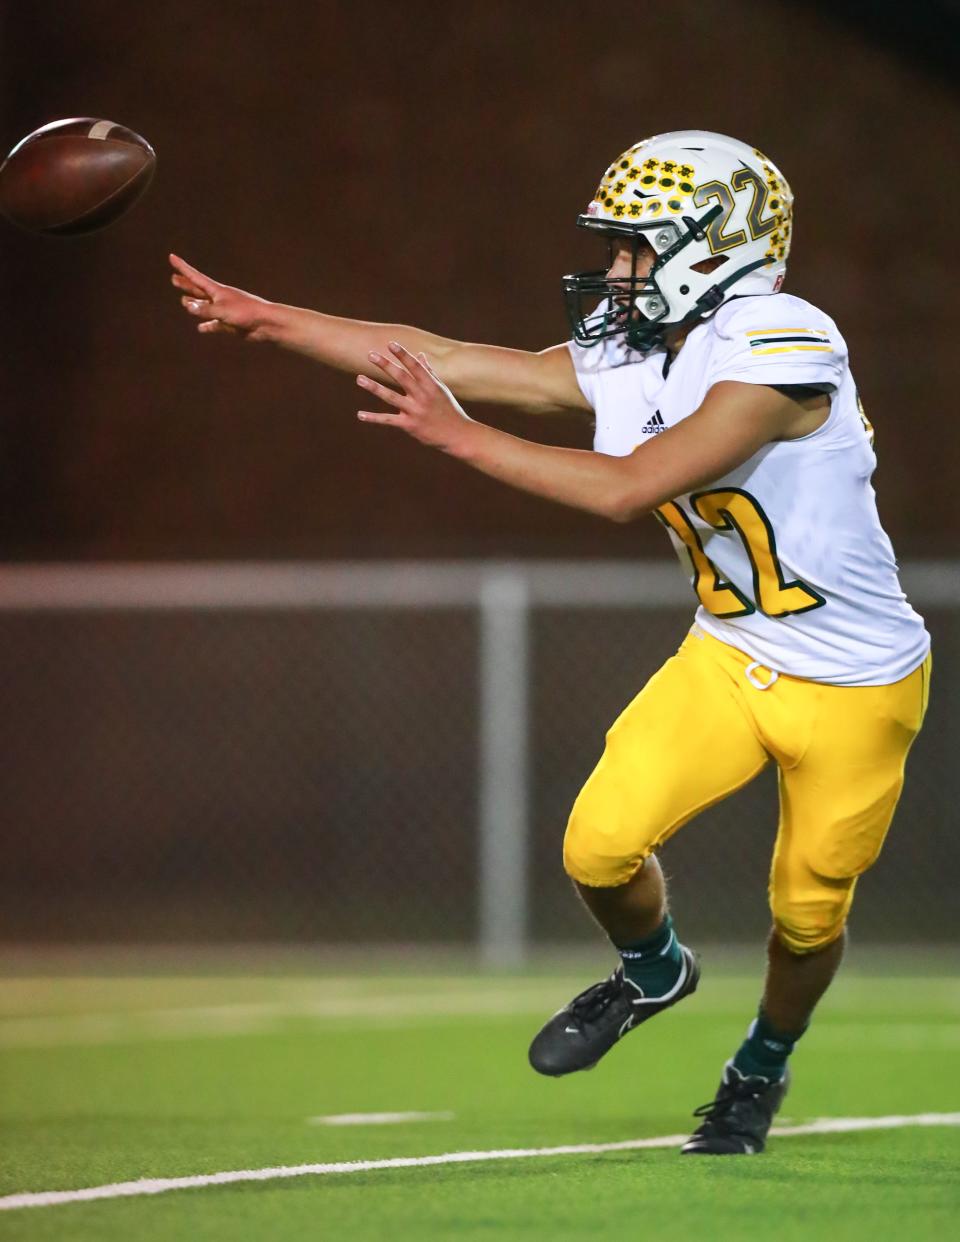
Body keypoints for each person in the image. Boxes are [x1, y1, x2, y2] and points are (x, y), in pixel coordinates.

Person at [170, 129, 931, 1156]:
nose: (616, 269)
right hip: (728, 655)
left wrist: (461, 436)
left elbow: (631, 486)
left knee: (805, 914)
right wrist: (273, 321)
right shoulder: (641, 350)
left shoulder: (783, 339)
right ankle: (656, 973)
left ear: (716, 248)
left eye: (637, 248)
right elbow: (441, 357)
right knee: (598, 846)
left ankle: (759, 1065)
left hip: (855, 683)